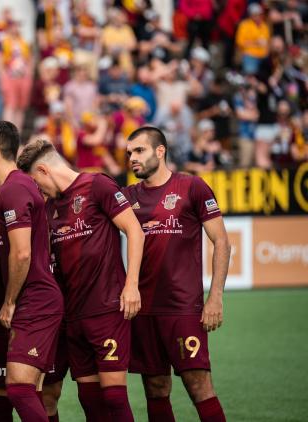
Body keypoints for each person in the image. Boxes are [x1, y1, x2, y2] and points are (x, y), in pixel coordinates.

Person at [17, 139, 144, 422]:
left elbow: (134, 230)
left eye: (35, 181)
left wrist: (131, 284)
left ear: (43, 169)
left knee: (114, 395)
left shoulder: (98, 185)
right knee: (89, 399)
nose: (36, 189)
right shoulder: (49, 207)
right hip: (72, 315)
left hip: (107, 307)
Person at [122, 126, 230, 422]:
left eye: (139, 151)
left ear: (160, 151)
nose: (132, 158)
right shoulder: (126, 196)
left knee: (199, 385)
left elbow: (221, 241)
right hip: (141, 310)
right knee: (155, 388)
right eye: (129, 153)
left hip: (182, 308)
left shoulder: (192, 187)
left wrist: (215, 297)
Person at [0, 120, 64, 422]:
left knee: (18, 388)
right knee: (27, 389)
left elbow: (22, 253)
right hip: (39, 299)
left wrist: (9, 301)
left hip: (35, 300)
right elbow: (6, 245)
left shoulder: (13, 189)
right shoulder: (20, 187)